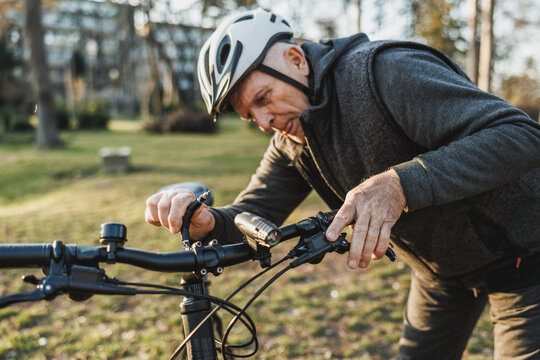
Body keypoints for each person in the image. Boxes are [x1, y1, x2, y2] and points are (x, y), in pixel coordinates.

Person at [145, 8, 540, 359]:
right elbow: (256, 212)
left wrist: (397, 184)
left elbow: (520, 136)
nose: (265, 122)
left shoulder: (384, 71)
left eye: (264, 98)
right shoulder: (291, 140)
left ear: (296, 59)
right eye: (251, 116)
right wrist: (209, 223)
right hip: (441, 275)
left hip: (527, 257)